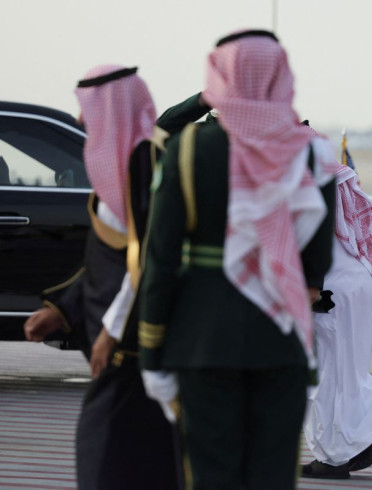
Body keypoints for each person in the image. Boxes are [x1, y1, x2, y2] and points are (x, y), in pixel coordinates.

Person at [137, 30, 337, 489]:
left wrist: (152, 352)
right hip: (281, 345)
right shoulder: (312, 152)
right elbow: (313, 269)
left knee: (210, 477)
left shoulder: (188, 149)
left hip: (202, 344)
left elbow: (160, 262)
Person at [22, 65, 205, 490]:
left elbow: (151, 259)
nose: (83, 120)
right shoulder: (124, 164)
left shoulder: (147, 162)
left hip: (137, 347)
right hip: (123, 343)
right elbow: (109, 256)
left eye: (90, 108)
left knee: (106, 452)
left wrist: (111, 331)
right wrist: (62, 309)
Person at [302, 161, 372, 479]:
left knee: (328, 378)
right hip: (354, 288)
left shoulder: (313, 207)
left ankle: (339, 454)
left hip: (328, 295)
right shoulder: (343, 228)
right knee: (347, 374)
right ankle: (350, 445)